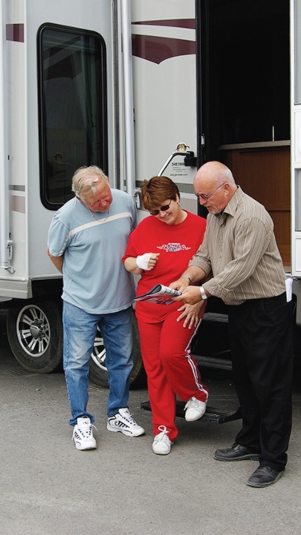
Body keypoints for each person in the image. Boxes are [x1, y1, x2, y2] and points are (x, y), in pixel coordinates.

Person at [171, 161, 294, 487]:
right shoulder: (216, 214)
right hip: (239, 307)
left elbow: (240, 270)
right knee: (245, 380)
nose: (202, 203)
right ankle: (250, 441)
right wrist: (187, 278)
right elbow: (205, 257)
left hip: (265, 310)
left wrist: (202, 292)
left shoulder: (251, 216)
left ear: (226, 188)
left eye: (205, 196)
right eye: (199, 196)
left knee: (270, 385)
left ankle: (273, 459)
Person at [47, 165, 145, 451]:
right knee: (76, 364)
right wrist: (78, 278)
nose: (104, 203)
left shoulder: (124, 201)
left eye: (105, 196)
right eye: (96, 202)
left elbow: (134, 241)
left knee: (122, 361)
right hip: (81, 303)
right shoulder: (65, 217)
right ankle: (80, 420)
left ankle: (118, 412)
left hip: (120, 298)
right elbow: (54, 253)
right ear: (80, 199)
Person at [123, 176, 209, 455]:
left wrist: (200, 297)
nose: (161, 214)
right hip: (149, 304)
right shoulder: (146, 227)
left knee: (171, 353)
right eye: (154, 211)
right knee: (154, 367)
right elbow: (128, 262)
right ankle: (163, 429)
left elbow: (213, 266)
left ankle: (195, 394)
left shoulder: (201, 226)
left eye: (165, 207)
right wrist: (138, 262)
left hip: (184, 303)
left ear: (177, 198)